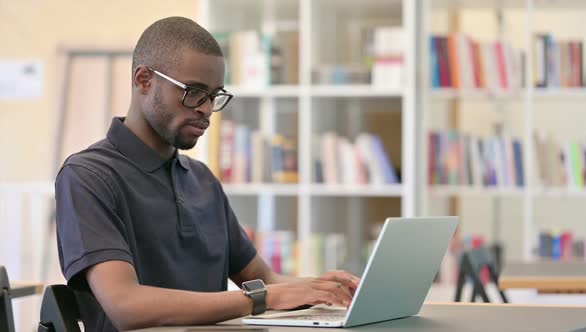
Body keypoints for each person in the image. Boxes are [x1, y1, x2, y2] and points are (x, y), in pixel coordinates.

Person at [55, 16, 359, 332]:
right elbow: (126, 306)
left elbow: (264, 280)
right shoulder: (87, 177)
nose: (206, 109)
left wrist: (322, 289)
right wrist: (261, 297)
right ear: (144, 79)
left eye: (214, 96)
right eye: (194, 92)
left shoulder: (201, 179)